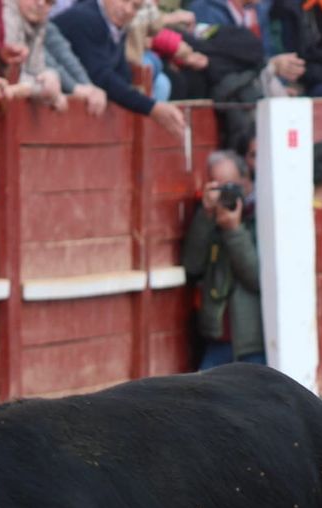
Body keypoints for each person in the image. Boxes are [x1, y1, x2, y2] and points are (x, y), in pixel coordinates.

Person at [52, 0, 189, 134]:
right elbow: (100, 76)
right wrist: (152, 107)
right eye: (123, 1)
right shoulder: (86, 18)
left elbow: (122, 74)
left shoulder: (115, 24)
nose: (127, 10)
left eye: (135, 6)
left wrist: (149, 105)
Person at [182, 150, 263, 371]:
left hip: (253, 341)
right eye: (217, 186)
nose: (225, 193)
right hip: (218, 339)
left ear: (246, 182)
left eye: (229, 185)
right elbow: (192, 266)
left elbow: (256, 277)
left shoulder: (261, 216)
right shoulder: (209, 219)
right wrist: (206, 216)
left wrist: (233, 230)